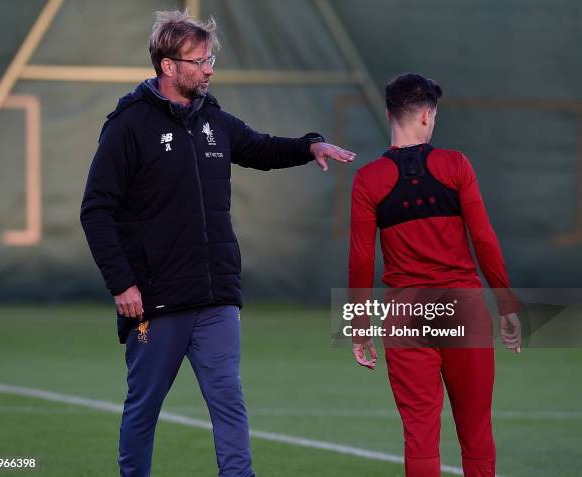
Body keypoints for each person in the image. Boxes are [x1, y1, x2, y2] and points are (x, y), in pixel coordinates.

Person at [80, 10, 355, 477]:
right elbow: (95, 210)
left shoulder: (214, 120)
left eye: (211, 59)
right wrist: (122, 283)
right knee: (143, 409)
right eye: (200, 59)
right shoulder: (128, 125)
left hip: (216, 299)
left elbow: (261, 148)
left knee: (229, 403)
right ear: (168, 66)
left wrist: (309, 146)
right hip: (154, 303)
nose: (209, 68)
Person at [348, 73, 521, 477]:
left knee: (420, 434)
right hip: (465, 310)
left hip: (406, 316)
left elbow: (359, 261)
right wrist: (507, 305)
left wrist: (358, 326)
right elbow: (485, 241)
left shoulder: (368, 179)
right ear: (427, 115)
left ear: (389, 113)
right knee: (476, 431)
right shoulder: (455, 165)